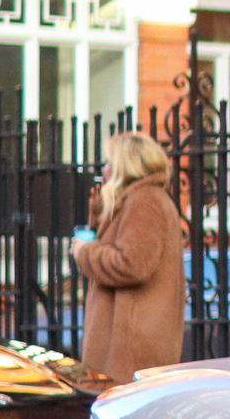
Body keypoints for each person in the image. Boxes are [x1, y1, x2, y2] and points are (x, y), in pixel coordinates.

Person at [70, 131, 185, 381]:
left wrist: (85, 252)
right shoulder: (140, 199)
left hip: (129, 353)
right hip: (127, 351)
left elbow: (132, 264)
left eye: (110, 162)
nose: (105, 169)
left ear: (125, 166)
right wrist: (101, 214)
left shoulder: (145, 201)